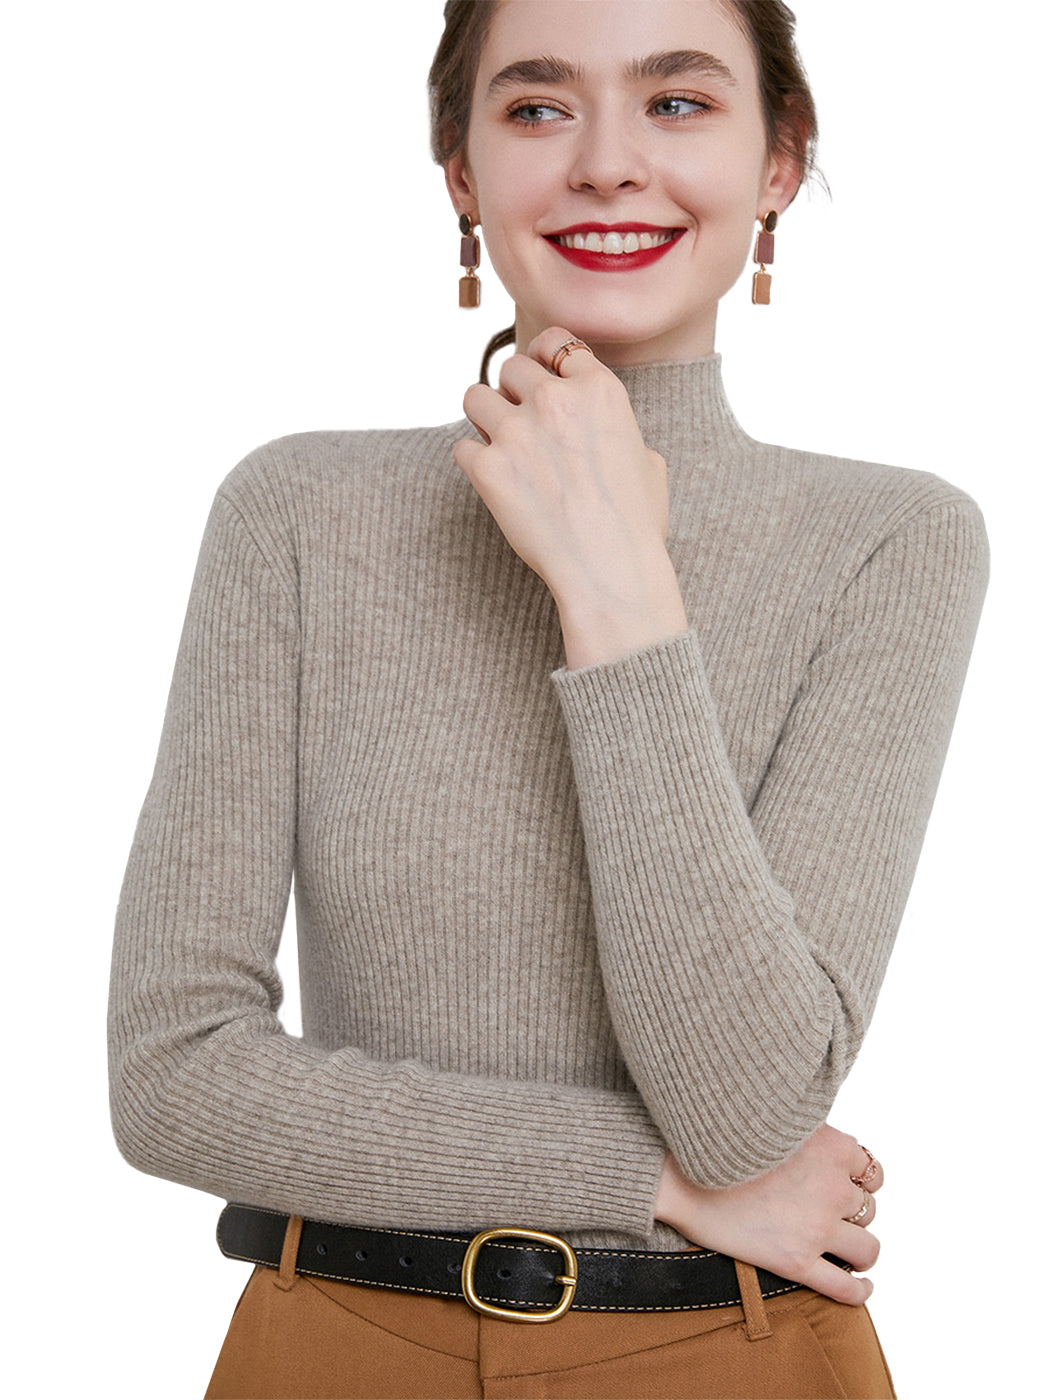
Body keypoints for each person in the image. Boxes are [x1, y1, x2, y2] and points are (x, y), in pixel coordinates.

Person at [108, 1, 987, 1396]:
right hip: (332, 1350)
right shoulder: (297, 515)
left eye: (678, 102)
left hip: (729, 1357)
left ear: (778, 161)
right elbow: (172, 1076)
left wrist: (616, 587)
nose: (606, 162)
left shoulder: (889, 543)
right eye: (535, 106)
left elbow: (751, 1108)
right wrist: (646, 1179)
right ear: (461, 173)